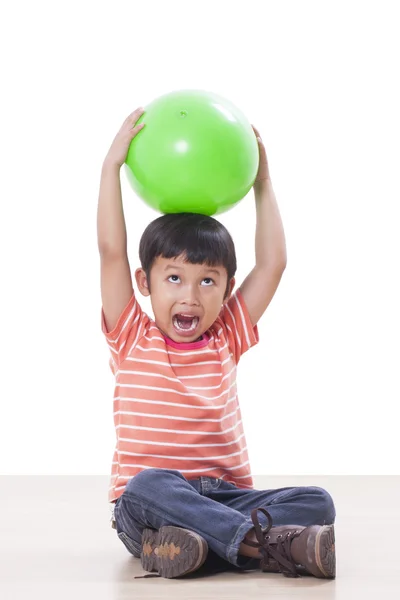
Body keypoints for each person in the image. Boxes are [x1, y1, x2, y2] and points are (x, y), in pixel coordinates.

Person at [97, 107, 336, 580]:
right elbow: (110, 252)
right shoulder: (131, 334)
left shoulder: (226, 335)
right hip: (147, 508)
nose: (190, 295)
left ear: (227, 289)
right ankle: (261, 545)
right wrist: (111, 168)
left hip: (223, 496)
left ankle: (196, 546)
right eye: (174, 278)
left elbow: (272, 265)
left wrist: (262, 183)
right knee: (147, 485)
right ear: (145, 282)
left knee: (317, 502)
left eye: (208, 281)